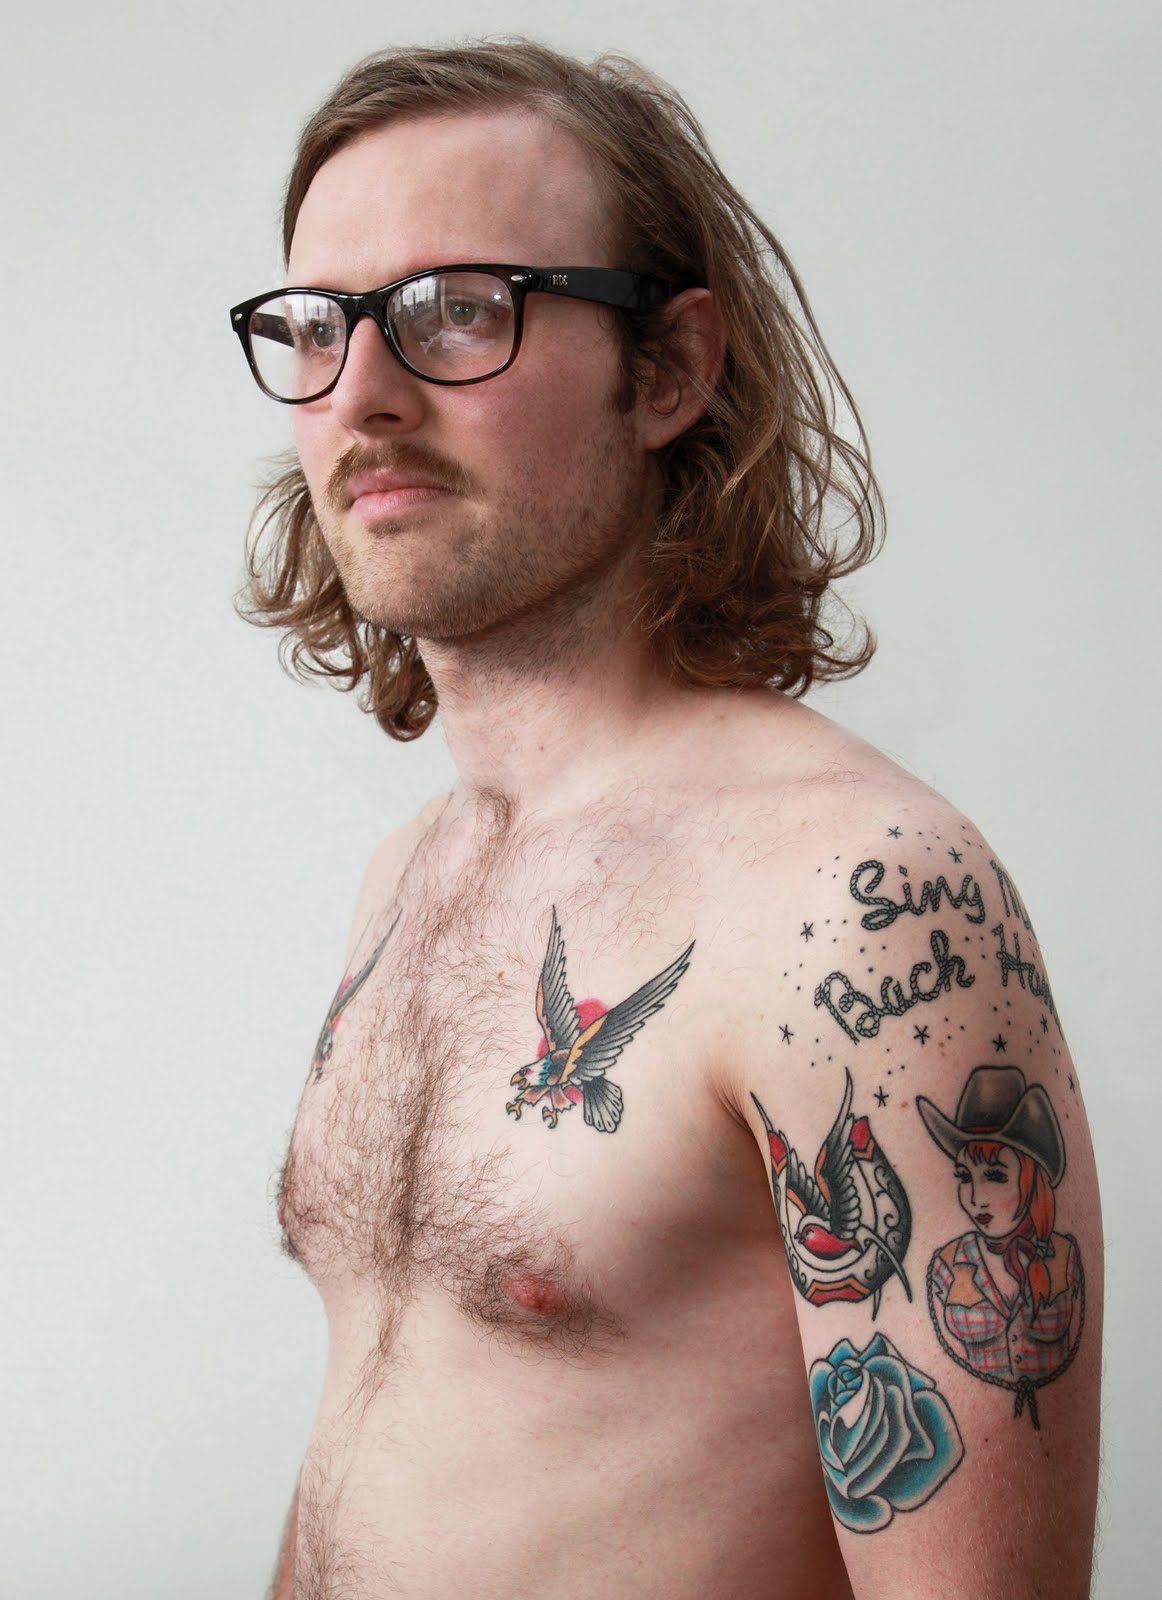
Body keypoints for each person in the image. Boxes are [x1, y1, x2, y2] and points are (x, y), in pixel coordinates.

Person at [231, 39, 1102, 1600]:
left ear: (668, 372)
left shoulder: (856, 902)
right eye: (315, 326)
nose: (360, 394)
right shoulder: (411, 875)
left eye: (456, 311)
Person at [917, 1065, 1083, 1412]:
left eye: (995, 1176)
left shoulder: (1065, 1257)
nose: (976, 1198)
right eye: (965, 1176)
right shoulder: (947, 1265)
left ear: (1031, 1179)